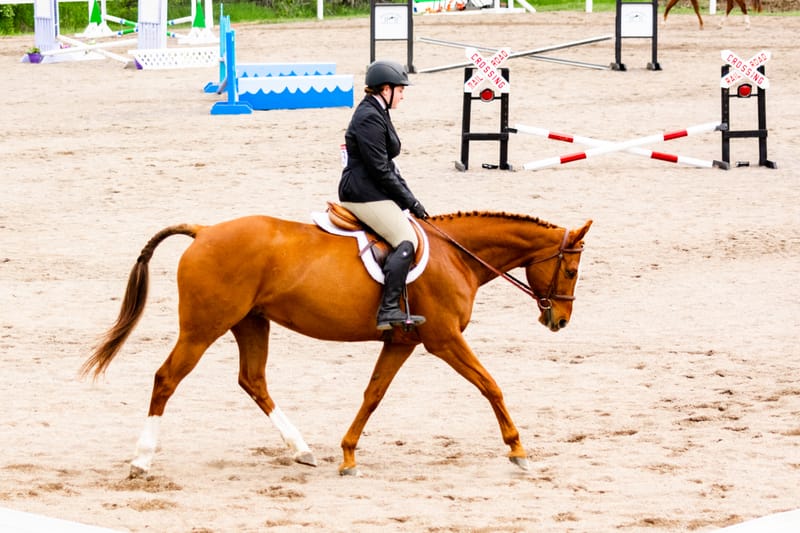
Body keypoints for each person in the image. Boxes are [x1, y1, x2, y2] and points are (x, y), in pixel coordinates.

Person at [338, 59, 429, 331]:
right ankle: (388, 309)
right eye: (401, 90)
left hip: (373, 188)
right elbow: (380, 169)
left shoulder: (378, 111)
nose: (403, 95)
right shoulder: (368, 117)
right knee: (407, 239)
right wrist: (409, 201)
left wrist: (411, 198)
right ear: (385, 89)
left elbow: (389, 166)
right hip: (362, 192)